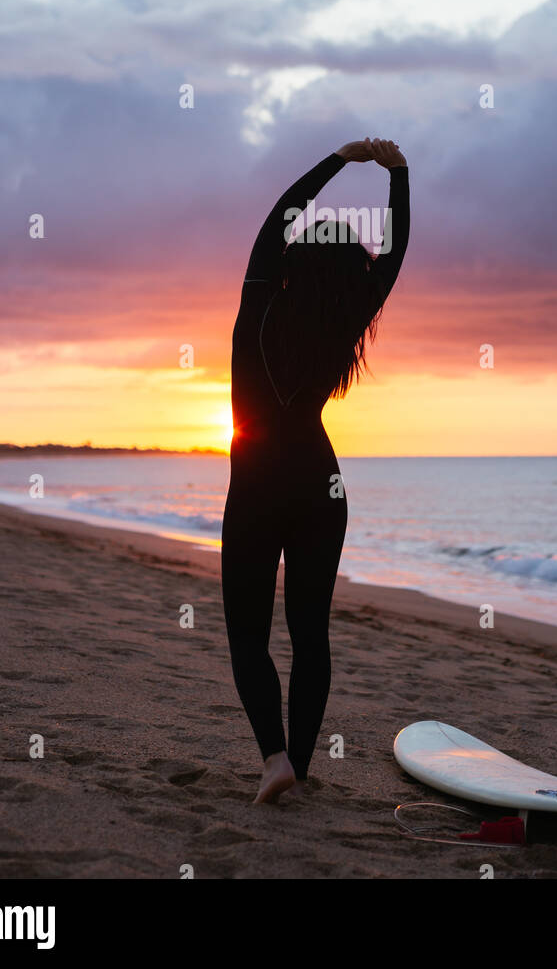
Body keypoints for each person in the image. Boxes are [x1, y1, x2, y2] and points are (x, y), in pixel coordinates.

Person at [221, 137, 410, 802]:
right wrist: (397, 175)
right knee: (310, 634)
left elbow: (280, 214)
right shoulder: (342, 321)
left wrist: (340, 161)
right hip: (321, 486)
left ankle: (274, 757)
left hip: (255, 484)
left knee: (248, 634)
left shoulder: (258, 303)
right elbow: (392, 256)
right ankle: (298, 766)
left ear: (292, 258)